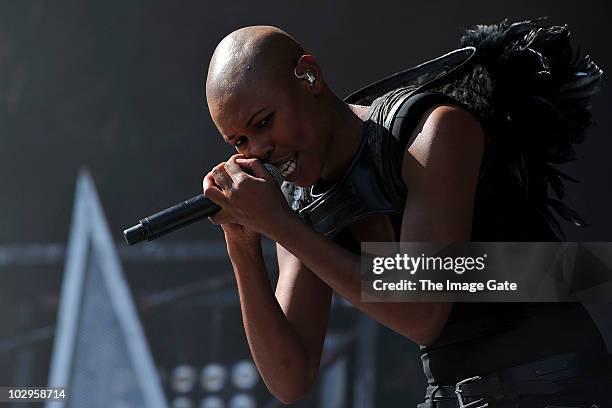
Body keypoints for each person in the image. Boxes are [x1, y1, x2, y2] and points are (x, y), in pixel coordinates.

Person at [202, 21, 611, 407]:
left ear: (309, 76)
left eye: (264, 122)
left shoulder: (431, 130)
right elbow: (289, 378)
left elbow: (421, 311)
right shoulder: (296, 204)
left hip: (559, 385)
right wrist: (242, 243)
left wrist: (278, 223)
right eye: (239, 141)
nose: (257, 150)